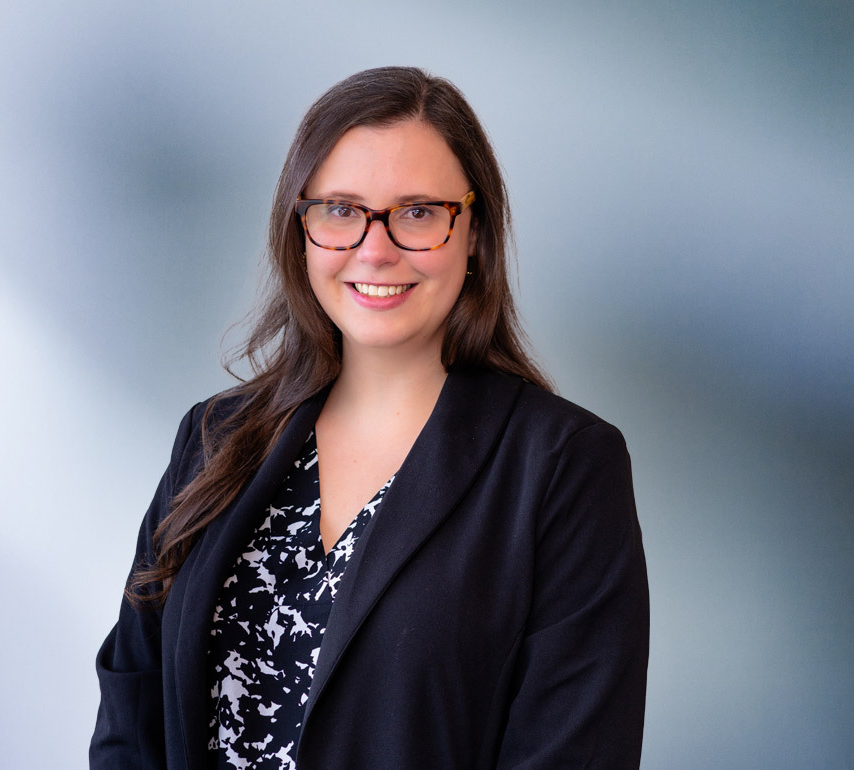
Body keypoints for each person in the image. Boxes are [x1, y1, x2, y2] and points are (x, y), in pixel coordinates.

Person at [90, 66, 649, 770]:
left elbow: (575, 753)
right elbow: (130, 719)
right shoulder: (214, 440)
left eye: (418, 212)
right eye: (341, 210)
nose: (374, 248)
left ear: (472, 231)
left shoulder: (562, 468)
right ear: (302, 229)